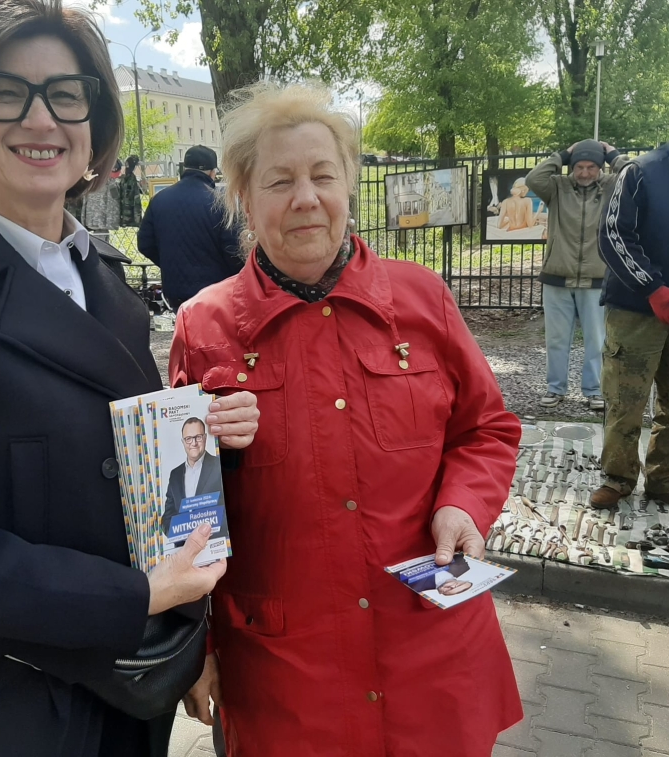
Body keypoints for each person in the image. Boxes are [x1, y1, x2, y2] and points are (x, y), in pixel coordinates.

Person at [0, 1, 260, 755]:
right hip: (21, 709)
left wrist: (206, 438)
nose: (42, 119)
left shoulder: (107, 282)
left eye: (66, 95)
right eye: (7, 92)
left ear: (93, 123)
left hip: (135, 688)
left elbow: (112, 468)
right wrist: (132, 596)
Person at [171, 82, 522, 757]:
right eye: (280, 181)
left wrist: (464, 503)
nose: (306, 197)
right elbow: (185, 506)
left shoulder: (422, 299)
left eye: (323, 175)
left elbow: (486, 429)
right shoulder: (204, 326)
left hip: (429, 651)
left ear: (349, 183)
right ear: (244, 197)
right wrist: (197, 642)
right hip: (286, 676)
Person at [526, 139, 629, 411]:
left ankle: (594, 390)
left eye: (591, 167)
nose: (584, 173)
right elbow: (533, 178)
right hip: (557, 276)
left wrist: (613, 155)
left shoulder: (611, 186)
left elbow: (634, 177)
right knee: (556, 339)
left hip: (596, 277)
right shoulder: (557, 187)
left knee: (597, 339)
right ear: (571, 167)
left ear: (600, 167)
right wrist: (563, 154)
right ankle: (555, 388)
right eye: (579, 166)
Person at [593, 141, 669, 508]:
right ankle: (618, 476)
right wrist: (652, 287)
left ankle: (663, 478)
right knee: (625, 400)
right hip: (637, 309)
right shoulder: (640, 172)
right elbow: (613, 235)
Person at [138, 145, 243, 311]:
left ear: (184, 168)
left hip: (175, 292)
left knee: (183, 327)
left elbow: (145, 244)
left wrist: (171, 263)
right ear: (212, 172)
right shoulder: (220, 203)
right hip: (214, 292)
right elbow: (234, 250)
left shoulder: (159, 199)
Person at [160, 417, 226, 538]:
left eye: (198, 437)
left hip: (215, 542)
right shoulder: (175, 474)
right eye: (188, 439)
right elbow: (168, 514)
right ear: (183, 442)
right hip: (184, 546)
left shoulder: (219, 465)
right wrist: (176, 533)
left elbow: (230, 508)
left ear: (205, 438)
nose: (194, 443)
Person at [118, 154, 143, 227]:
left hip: (124, 215)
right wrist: (137, 220)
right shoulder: (129, 179)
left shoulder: (124, 178)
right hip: (130, 214)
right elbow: (136, 200)